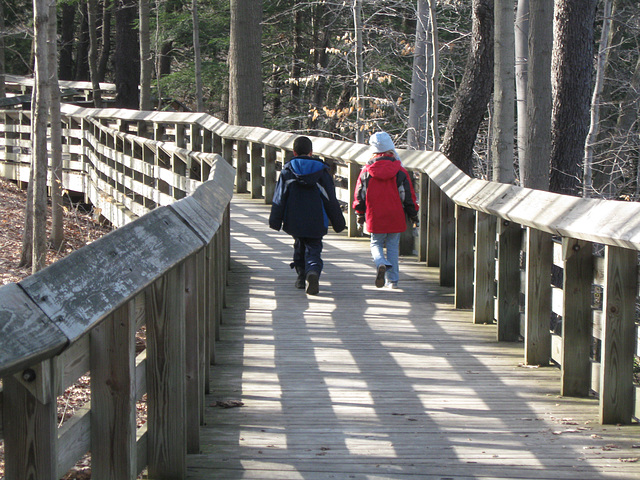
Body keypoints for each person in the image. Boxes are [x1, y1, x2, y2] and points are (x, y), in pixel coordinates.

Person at [269, 136, 346, 295]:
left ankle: (301, 276)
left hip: (294, 219)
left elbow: (279, 197)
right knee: (314, 247)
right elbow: (330, 199)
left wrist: (275, 221)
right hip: (317, 220)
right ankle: (313, 271)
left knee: (299, 244)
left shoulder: (288, 171)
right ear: (311, 152)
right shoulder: (322, 172)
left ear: (295, 152)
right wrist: (338, 222)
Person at [353, 131, 419, 289]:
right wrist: (413, 214)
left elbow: (359, 195)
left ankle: (381, 263)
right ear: (391, 150)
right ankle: (393, 281)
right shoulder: (400, 172)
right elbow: (408, 196)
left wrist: (359, 213)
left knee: (375, 243)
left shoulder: (366, 172)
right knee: (392, 247)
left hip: (375, 215)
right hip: (395, 215)